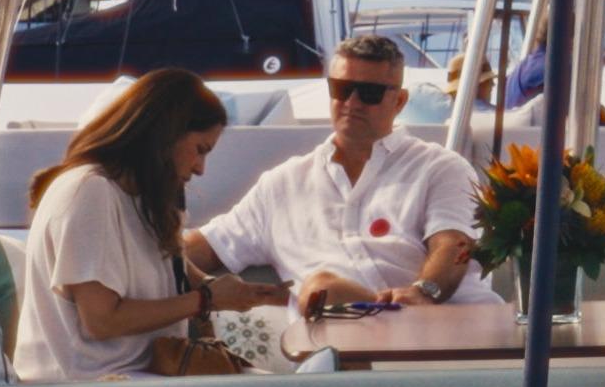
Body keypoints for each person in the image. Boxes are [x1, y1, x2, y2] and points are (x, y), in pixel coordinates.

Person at [188, 34, 484, 314]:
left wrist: (424, 291)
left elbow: (453, 243)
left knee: (323, 289)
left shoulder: (440, 167)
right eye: (341, 89)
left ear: (399, 101)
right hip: (339, 336)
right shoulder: (281, 186)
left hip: (437, 329)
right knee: (324, 289)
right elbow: (205, 247)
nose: (352, 103)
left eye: (369, 94)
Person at [15, 70, 268, 383]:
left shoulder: (141, 197)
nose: (201, 169)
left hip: (140, 375)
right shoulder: (89, 192)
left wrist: (228, 290)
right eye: (200, 149)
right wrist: (205, 299)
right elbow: (102, 320)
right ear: (165, 134)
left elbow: (168, 264)